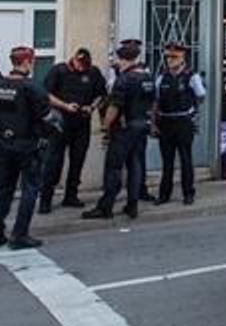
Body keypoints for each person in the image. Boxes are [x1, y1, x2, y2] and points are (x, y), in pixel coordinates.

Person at [0, 45, 53, 250]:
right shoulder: (32, 87)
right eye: (31, 60)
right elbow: (46, 116)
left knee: (2, 190)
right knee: (29, 190)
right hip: (28, 145)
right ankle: (19, 235)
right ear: (26, 62)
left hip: (5, 144)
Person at [83, 40, 154, 220]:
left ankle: (105, 207)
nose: (117, 62)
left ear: (124, 59)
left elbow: (115, 106)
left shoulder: (125, 80)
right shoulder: (147, 78)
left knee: (113, 168)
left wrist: (105, 126)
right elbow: (153, 104)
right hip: (141, 126)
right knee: (135, 166)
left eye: (118, 59)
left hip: (124, 129)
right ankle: (132, 205)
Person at [39, 46, 108, 213]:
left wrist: (91, 107)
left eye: (85, 66)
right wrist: (65, 106)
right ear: (74, 59)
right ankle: (45, 200)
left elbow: (101, 95)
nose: (82, 69)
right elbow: (46, 95)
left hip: (82, 123)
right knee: (53, 162)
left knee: (77, 161)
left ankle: (71, 195)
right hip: (60, 124)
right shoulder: (59, 71)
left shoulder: (93, 72)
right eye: (80, 65)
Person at [153, 42, 206, 206]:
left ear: (182, 57)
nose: (170, 60)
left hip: (183, 121)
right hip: (165, 121)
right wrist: (153, 123)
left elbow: (201, 96)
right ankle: (164, 194)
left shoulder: (192, 76)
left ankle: (188, 193)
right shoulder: (162, 77)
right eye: (168, 56)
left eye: (174, 57)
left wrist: (191, 111)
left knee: (185, 159)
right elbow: (156, 101)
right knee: (167, 161)